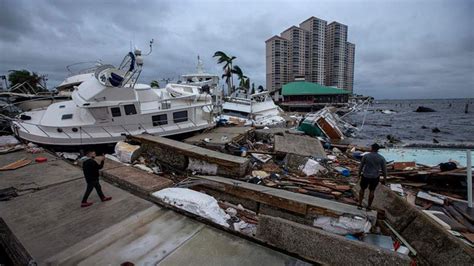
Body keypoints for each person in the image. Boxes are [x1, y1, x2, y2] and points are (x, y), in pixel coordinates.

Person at [358, 143, 387, 210]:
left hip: (365, 175)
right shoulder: (381, 158)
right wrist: (385, 179)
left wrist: (359, 175)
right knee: (372, 191)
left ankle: (359, 204)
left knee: (362, 189)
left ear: (372, 148)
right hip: (375, 177)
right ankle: (369, 206)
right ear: (378, 149)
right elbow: (384, 170)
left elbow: (361, 166)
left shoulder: (366, 156)